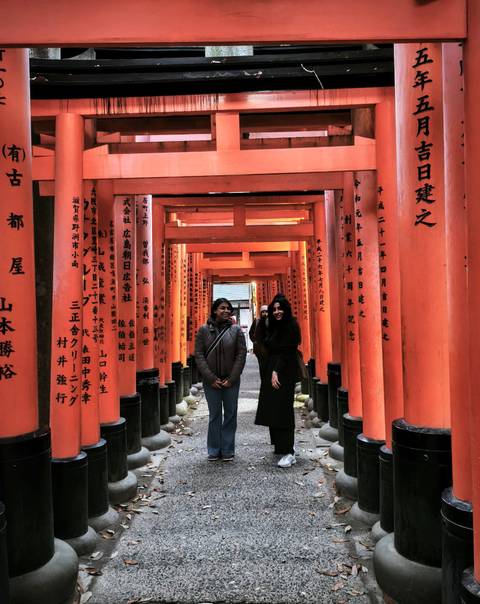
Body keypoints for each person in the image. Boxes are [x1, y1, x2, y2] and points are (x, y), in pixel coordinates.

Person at [195, 297, 247, 462]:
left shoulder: (236, 331)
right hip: (212, 382)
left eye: (228, 308)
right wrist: (210, 378)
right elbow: (199, 355)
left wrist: (232, 378)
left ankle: (227, 450)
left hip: (230, 380)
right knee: (214, 415)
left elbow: (241, 354)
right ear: (215, 310)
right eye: (222, 308)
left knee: (230, 414)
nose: (225, 311)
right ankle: (214, 449)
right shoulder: (203, 330)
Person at [254, 295, 301, 468]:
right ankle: (280, 447)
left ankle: (289, 451)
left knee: (283, 409)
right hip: (271, 369)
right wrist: (262, 321)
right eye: (274, 309)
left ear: (286, 309)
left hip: (283, 370)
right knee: (272, 408)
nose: (277, 312)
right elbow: (260, 341)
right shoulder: (273, 325)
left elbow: (288, 350)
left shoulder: (291, 325)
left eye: (280, 308)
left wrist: (276, 371)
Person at [248, 305, 269, 378]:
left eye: (266, 312)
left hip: (268, 348)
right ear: (260, 312)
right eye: (263, 312)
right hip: (259, 349)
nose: (265, 313)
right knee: (262, 366)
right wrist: (254, 341)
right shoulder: (256, 321)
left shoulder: (270, 321)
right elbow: (251, 332)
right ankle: (263, 379)